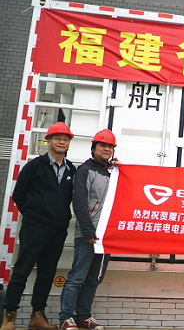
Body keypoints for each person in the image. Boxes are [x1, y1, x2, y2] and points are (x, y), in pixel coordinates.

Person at [1, 122, 77, 330]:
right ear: (49, 140)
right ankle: (9, 316)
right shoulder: (34, 166)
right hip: (35, 228)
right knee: (22, 271)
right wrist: (34, 215)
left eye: (66, 139)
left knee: (46, 274)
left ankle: (37, 316)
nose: (62, 142)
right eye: (58, 138)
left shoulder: (71, 170)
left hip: (58, 231)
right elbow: (19, 194)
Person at [58, 130, 119, 330]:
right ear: (93, 148)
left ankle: (83, 316)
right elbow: (79, 202)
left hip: (106, 237)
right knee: (77, 277)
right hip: (89, 234)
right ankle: (66, 317)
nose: (106, 149)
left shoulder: (113, 172)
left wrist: (121, 168)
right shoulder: (85, 170)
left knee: (94, 279)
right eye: (102, 145)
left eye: (110, 146)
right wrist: (87, 230)